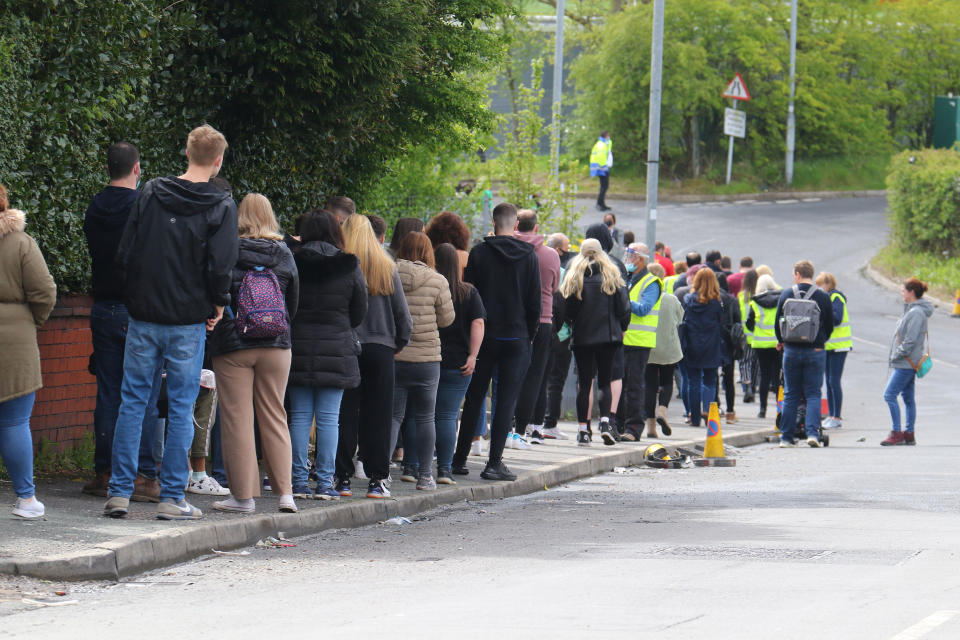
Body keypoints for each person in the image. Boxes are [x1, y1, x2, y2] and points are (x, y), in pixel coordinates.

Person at [105, 125, 238, 520]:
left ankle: (119, 492)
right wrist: (218, 303)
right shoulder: (222, 205)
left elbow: (126, 252)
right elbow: (221, 265)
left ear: (186, 152)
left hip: (145, 314)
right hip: (187, 318)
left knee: (132, 402)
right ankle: (172, 497)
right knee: (182, 406)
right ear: (218, 160)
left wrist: (135, 297)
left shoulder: (150, 192)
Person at [206, 194, 299, 513]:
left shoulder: (228, 250)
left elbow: (215, 290)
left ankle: (243, 498)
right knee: (275, 414)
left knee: (237, 417)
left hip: (234, 343)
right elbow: (293, 302)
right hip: (277, 342)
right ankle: (286, 494)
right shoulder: (285, 253)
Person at [82, 142, 162, 501]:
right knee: (142, 394)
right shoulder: (142, 208)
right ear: (137, 168)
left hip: (103, 308)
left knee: (108, 392)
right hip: (137, 309)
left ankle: (105, 471)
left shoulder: (94, 207)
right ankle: (144, 474)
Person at [452, 203, 541, 482]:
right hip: (516, 336)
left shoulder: (479, 253)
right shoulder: (529, 256)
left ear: (493, 222)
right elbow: (534, 301)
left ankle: (458, 459)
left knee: (475, 397)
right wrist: (529, 333)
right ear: (516, 224)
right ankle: (494, 462)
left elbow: (468, 296)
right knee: (505, 400)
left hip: (484, 335)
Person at [287, 211, 367, 500]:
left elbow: (286, 304)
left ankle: (297, 481)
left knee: (298, 417)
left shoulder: (292, 260)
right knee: (329, 420)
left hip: (297, 346)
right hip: (336, 347)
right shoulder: (349, 264)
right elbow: (359, 310)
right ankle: (324, 483)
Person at [337, 214, 411, 499]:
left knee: (345, 413)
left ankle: (341, 477)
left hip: (347, 347)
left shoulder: (341, 266)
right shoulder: (386, 267)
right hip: (381, 348)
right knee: (379, 415)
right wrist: (398, 342)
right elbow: (402, 315)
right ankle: (377, 479)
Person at [0, 185, 56, 518]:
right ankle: (25, 499)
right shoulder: (21, 243)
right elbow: (45, 291)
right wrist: (30, 320)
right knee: (14, 422)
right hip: (15, 342)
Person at [391, 232, 454, 491]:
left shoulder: (387, 273)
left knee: (393, 417)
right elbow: (447, 319)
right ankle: (426, 476)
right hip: (427, 359)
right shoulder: (437, 280)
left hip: (395, 355)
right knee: (426, 417)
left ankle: (381, 476)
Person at [561, 238, 629, 446]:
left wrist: (573, 323)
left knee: (585, 381)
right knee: (605, 381)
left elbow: (568, 310)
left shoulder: (575, 277)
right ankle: (607, 424)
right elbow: (624, 308)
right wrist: (622, 327)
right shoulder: (612, 275)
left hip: (583, 337)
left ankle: (583, 430)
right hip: (608, 337)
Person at [434, 243, 485, 482]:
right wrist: (473, 356)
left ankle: (413, 467)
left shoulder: (429, 287)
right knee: (447, 416)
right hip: (458, 363)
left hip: (429, 358)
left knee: (417, 415)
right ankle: (444, 468)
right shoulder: (468, 292)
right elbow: (478, 323)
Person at [511, 209, 561, 447]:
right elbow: (554, 288)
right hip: (542, 320)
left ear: (515, 225)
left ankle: (506, 426)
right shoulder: (550, 255)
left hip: (511, 320)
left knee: (508, 374)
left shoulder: (507, 249)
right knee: (534, 378)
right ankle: (521, 430)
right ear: (536, 228)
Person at [775, 260, 834, 448]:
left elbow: (778, 322)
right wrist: (820, 341)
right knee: (813, 394)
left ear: (798, 275)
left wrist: (783, 340)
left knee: (791, 394)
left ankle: (786, 437)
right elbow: (830, 325)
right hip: (815, 351)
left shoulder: (786, 294)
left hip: (791, 350)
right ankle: (812, 434)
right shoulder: (822, 297)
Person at [882, 278, 932, 446]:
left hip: (905, 363)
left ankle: (896, 432)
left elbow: (910, 341)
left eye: (903, 291)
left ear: (911, 292)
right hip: (908, 363)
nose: (901, 293)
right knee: (908, 398)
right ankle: (909, 434)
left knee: (889, 395)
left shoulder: (916, 313)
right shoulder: (912, 310)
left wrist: (896, 355)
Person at [619, 242, 662, 441]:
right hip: (623, 339)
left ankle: (633, 428)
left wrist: (623, 295)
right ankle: (618, 426)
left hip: (639, 341)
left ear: (641, 259)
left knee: (634, 386)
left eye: (631, 255)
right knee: (619, 385)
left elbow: (644, 309)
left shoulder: (651, 282)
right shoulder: (627, 278)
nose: (628, 258)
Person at [682, 268, 725, 427]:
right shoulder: (717, 303)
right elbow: (721, 322)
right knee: (710, 379)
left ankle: (694, 417)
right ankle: (707, 408)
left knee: (693, 381)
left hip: (692, 343)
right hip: (711, 345)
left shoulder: (689, 300)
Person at [644, 263, 682, 438]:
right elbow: (680, 318)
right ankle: (662, 411)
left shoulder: (643, 297)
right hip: (669, 346)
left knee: (650, 385)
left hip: (648, 345)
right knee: (667, 381)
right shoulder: (671, 299)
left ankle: (651, 428)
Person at [542, 233, 574, 440]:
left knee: (538, 379)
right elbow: (568, 305)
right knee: (556, 381)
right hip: (561, 334)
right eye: (565, 248)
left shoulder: (536, 264)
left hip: (542, 330)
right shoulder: (565, 273)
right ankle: (550, 423)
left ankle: (530, 424)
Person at [816, 272, 852, 429]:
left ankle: (836, 416)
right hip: (829, 346)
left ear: (827, 284)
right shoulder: (827, 298)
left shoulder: (836, 297)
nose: (818, 289)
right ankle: (831, 415)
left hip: (839, 346)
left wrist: (822, 314)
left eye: (820, 285)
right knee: (829, 382)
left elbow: (837, 318)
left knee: (834, 381)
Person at [746, 274, 782, 418]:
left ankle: (762, 409)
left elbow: (749, 324)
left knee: (764, 376)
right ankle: (780, 409)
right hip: (777, 343)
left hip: (760, 344)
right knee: (778, 376)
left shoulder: (754, 303)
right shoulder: (780, 300)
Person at [737, 268, 759, 403]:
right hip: (757, 334)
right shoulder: (760, 296)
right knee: (755, 363)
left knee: (744, 362)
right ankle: (753, 386)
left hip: (744, 334)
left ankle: (747, 386)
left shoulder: (741, 296)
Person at [590, 130, 613, 212]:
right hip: (602, 169)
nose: (609, 137)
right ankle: (599, 204)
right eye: (608, 135)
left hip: (603, 168)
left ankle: (602, 204)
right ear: (605, 136)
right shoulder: (601, 145)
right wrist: (604, 168)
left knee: (604, 187)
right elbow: (601, 158)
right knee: (604, 187)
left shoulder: (603, 144)